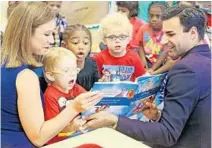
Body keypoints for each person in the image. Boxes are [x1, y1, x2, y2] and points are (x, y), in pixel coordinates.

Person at [83, 5, 211, 148]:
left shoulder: (185, 69)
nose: (163, 41)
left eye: (170, 34)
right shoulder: (206, 60)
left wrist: (114, 120)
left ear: (193, 33)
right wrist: (157, 117)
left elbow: (167, 134)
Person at [1, 2, 102, 147]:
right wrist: (74, 107)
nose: (51, 40)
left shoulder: (4, 62)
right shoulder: (25, 77)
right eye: (46, 34)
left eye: (53, 34)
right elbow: (38, 137)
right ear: (26, 33)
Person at [43, 47, 88, 144]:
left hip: (76, 134)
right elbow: (53, 128)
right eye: (66, 70)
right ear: (51, 76)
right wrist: (71, 127)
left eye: (74, 69)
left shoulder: (75, 87)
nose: (72, 74)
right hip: (60, 141)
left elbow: (88, 99)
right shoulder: (50, 95)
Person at [93, 12, 146, 82]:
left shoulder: (134, 58)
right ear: (104, 40)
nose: (117, 41)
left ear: (128, 39)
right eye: (112, 37)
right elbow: (94, 82)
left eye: (122, 37)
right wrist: (100, 81)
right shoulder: (98, 58)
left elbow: (142, 79)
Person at [135, 1, 176, 75]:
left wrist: (153, 69)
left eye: (158, 16)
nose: (153, 19)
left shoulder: (167, 31)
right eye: (151, 16)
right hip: (148, 60)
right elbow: (140, 45)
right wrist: (143, 60)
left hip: (163, 62)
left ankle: (155, 73)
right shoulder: (144, 28)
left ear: (165, 17)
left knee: (172, 62)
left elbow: (164, 52)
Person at [62, 24, 100, 91]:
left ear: (90, 45)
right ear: (64, 45)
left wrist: (102, 82)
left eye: (85, 43)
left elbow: (97, 84)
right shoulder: (59, 67)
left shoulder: (92, 63)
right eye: (75, 43)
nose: (81, 47)